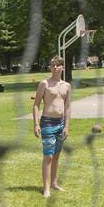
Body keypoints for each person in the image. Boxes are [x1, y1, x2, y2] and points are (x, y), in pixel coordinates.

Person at [32, 55, 71, 197]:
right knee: (48, 156)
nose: (55, 67)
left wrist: (67, 126)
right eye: (52, 65)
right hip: (47, 122)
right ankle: (46, 188)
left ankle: (54, 183)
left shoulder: (67, 86)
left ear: (62, 67)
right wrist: (36, 124)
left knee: (56, 156)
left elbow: (67, 107)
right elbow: (36, 105)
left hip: (61, 123)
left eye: (57, 65)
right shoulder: (44, 84)